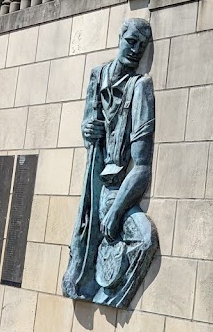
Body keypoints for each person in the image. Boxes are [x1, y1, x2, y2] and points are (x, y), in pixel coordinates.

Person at [61, 18, 157, 308]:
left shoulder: (140, 88)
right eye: (131, 42)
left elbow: (141, 167)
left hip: (118, 190)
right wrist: (88, 128)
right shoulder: (97, 76)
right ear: (120, 37)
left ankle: (108, 294)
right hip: (94, 184)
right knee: (80, 254)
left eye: (141, 47)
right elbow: (87, 125)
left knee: (145, 240)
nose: (135, 50)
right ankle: (86, 280)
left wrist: (116, 211)